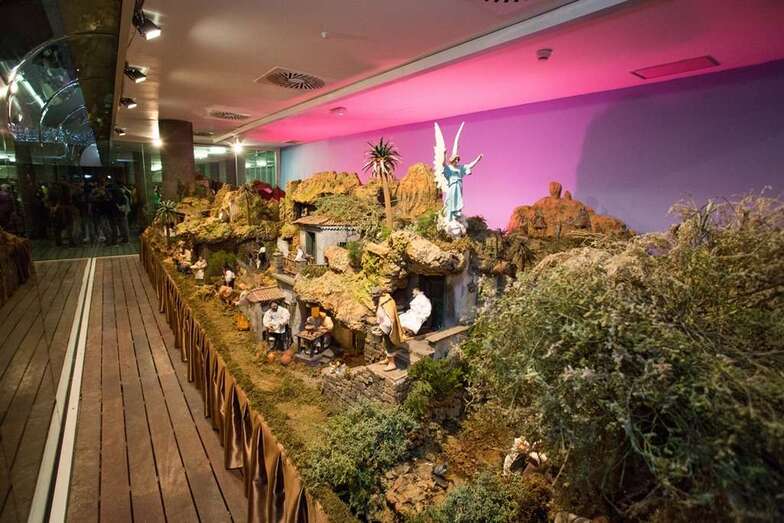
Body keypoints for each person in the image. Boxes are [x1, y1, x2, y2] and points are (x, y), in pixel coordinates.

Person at [373, 288, 406, 371]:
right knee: (386, 343)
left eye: (374, 296)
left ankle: (392, 363)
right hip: (383, 325)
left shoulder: (387, 302)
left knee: (389, 344)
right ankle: (388, 359)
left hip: (388, 327)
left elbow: (390, 317)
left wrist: (384, 328)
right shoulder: (381, 301)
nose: (373, 298)